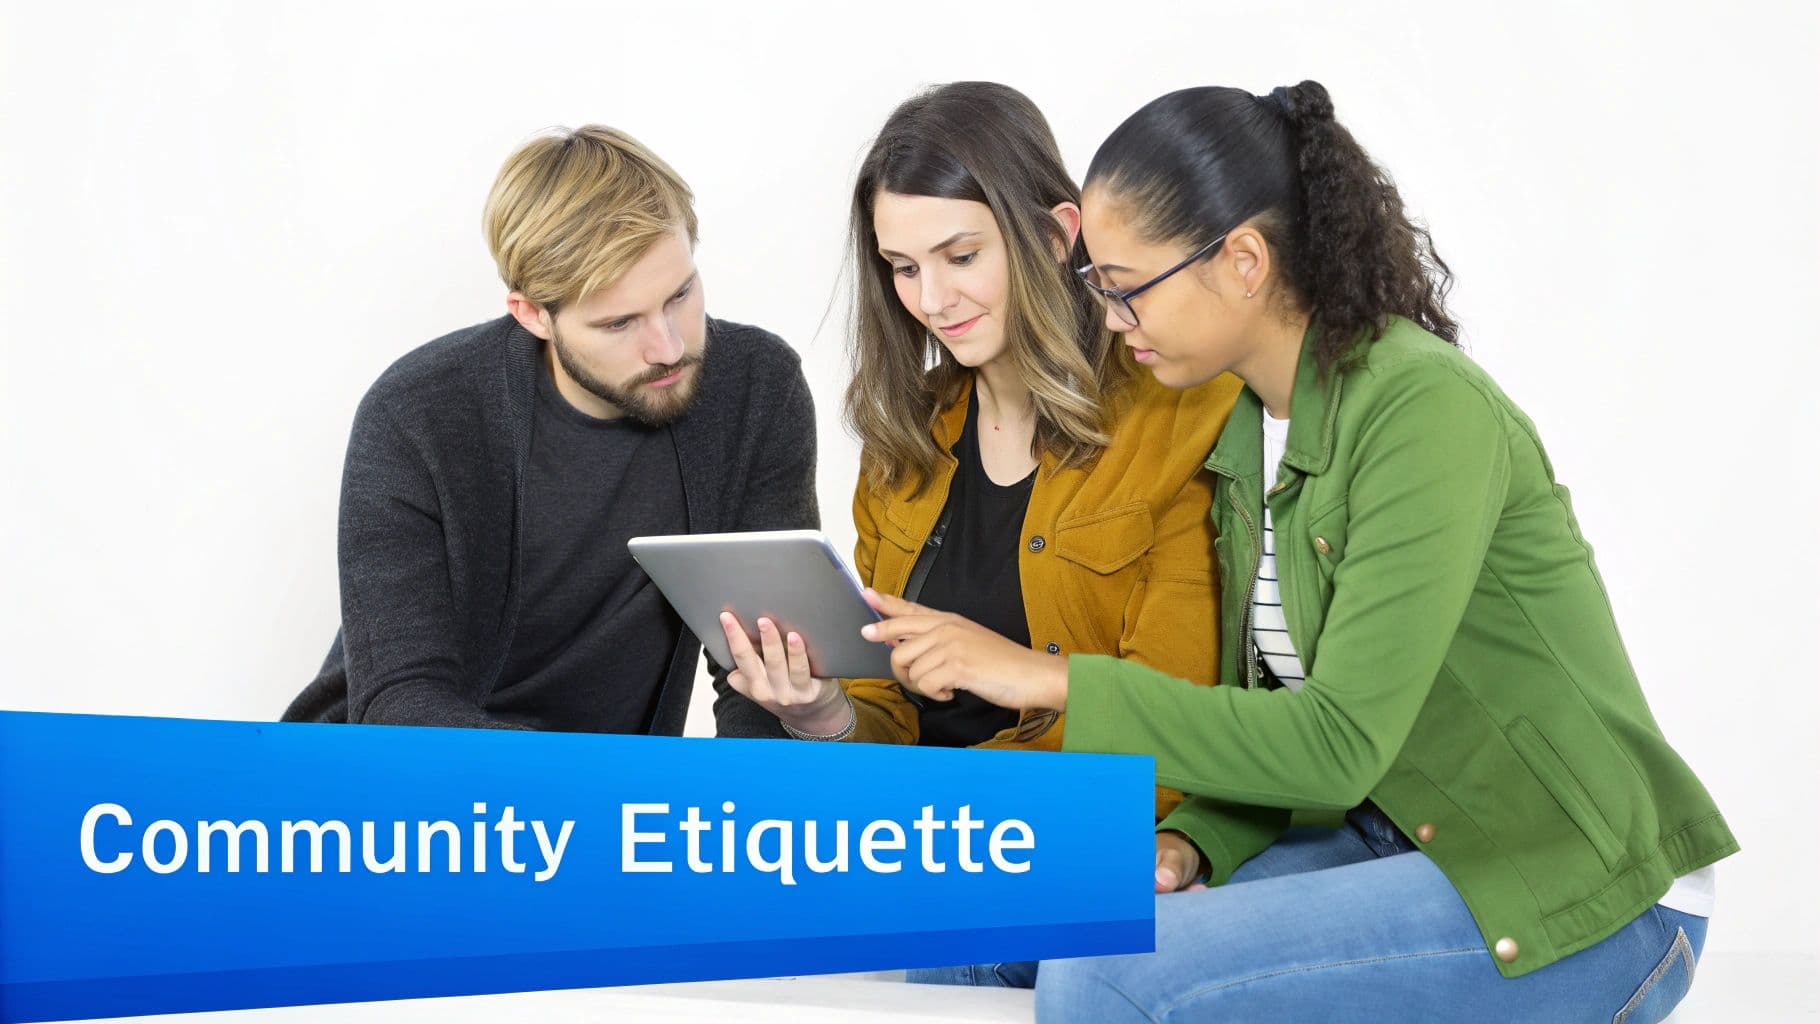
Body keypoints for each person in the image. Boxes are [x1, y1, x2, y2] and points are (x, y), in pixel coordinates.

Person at [867, 82, 1736, 1022]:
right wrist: (1195, 840)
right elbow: (1264, 711)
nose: (1110, 322)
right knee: (1004, 935)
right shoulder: (1247, 429)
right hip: (1385, 839)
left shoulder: (1421, 409)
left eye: (1125, 290)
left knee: (1108, 971)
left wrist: (1052, 681)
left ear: (1242, 260)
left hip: (1569, 886)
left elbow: (1338, 746)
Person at [717, 82, 1242, 815]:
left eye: (960, 257)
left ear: (1058, 237)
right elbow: (883, 712)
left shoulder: (1185, 418)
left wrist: (931, 803)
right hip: (914, 832)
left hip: (1038, 832)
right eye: (903, 268)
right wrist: (822, 715)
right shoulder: (904, 439)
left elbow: (1174, 735)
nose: (931, 300)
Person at [283, 125, 811, 738]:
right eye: (618, 323)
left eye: (680, 294)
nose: (668, 347)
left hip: (600, 798)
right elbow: (400, 703)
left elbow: (765, 668)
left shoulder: (756, 387)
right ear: (531, 314)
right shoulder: (417, 414)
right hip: (376, 786)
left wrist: (725, 818)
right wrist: (580, 787)